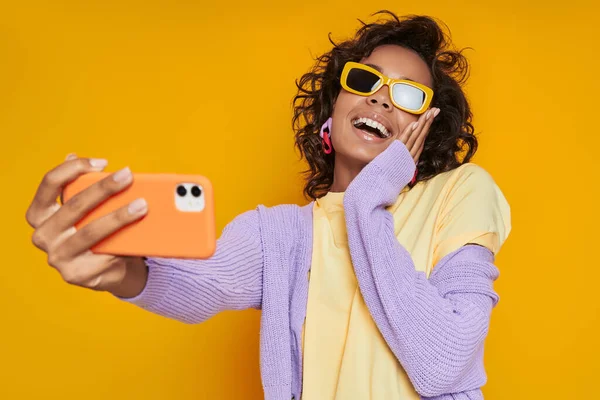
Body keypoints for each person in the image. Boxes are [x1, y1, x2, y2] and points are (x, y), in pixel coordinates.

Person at [25, 11, 511, 400]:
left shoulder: (462, 191)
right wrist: (115, 272)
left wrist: (365, 200)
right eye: (365, 81)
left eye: (407, 95)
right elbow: (200, 282)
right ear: (334, 107)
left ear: (424, 129)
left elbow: (444, 363)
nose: (381, 100)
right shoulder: (283, 234)